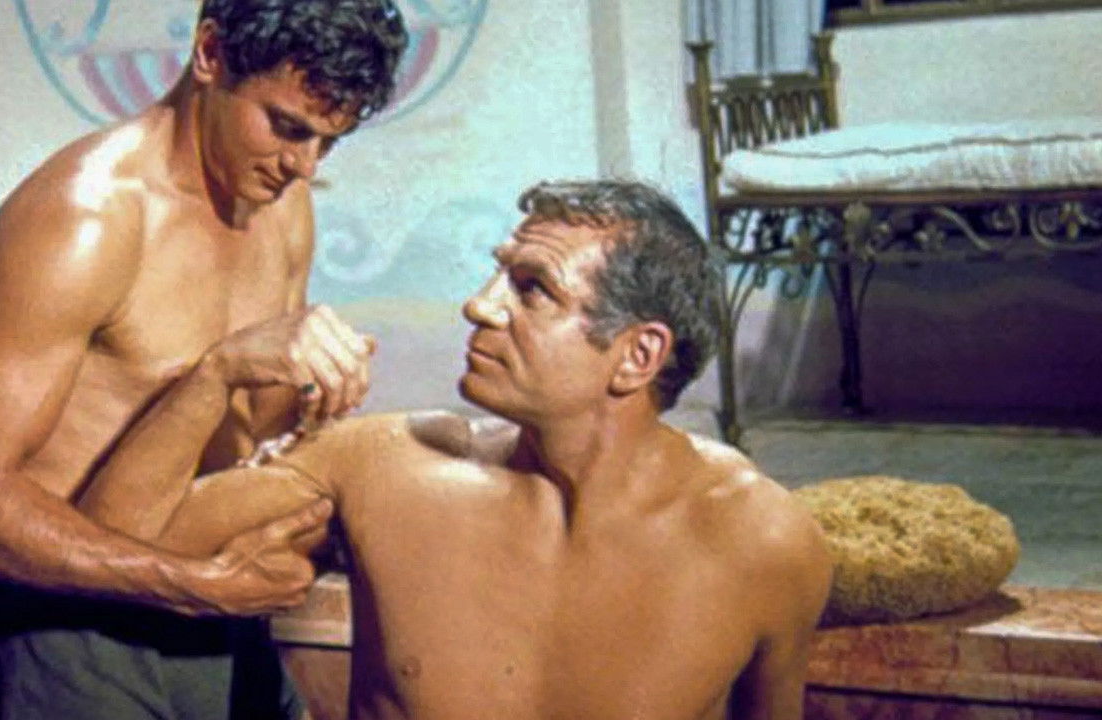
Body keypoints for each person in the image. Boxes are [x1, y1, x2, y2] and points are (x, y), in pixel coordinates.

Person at [76, 180, 835, 719]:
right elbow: (113, 541)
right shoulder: (385, 465)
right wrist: (217, 374)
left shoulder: (763, 543)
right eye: (497, 273)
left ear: (637, 356)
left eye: (531, 288)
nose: (479, 305)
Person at [0, 1, 407, 718]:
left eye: (329, 142)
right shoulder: (85, 218)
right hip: (73, 636)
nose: (303, 166)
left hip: (221, 614)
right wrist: (187, 583)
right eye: (289, 127)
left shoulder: (279, 200)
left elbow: (256, 434)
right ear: (210, 54)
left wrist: (315, 390)